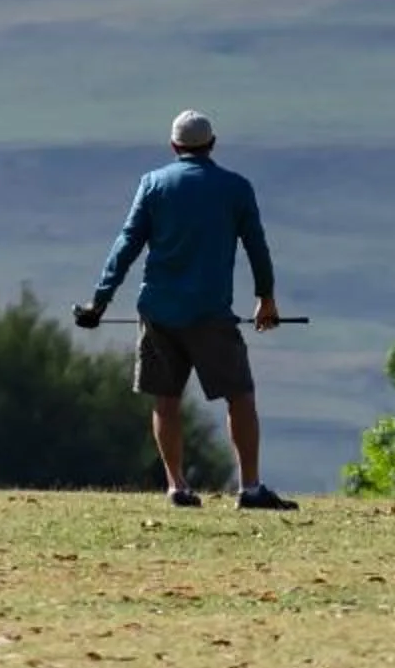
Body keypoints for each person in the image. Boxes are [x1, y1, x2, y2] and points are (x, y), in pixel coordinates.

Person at [73, 109, 296, 511]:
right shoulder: (236, 188)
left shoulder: (153, 184)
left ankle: (176, 485)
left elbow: (127, 243)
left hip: (158, 310)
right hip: (211, 312)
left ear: (174, 146)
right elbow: (256, 246)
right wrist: (266, 298)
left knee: (166, 398)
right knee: (240, 396)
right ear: (211, 144)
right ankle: (250, 487)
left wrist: (99, 302)